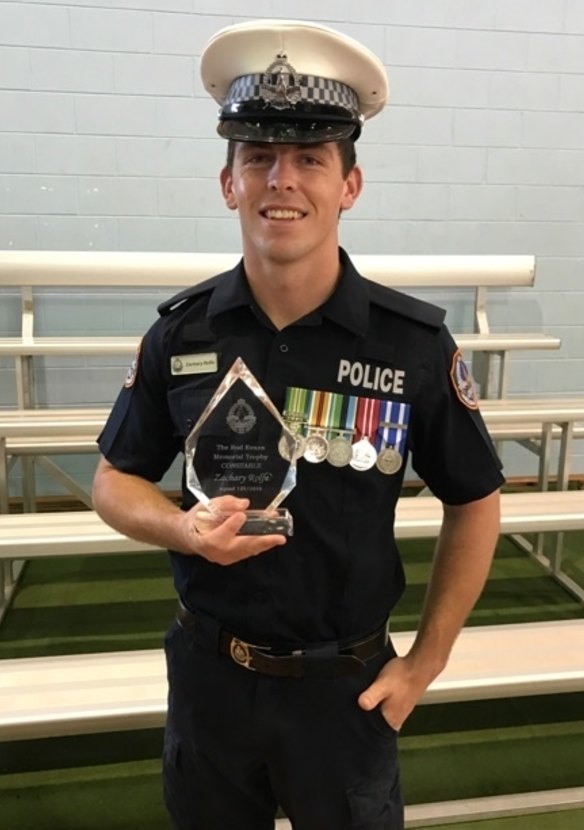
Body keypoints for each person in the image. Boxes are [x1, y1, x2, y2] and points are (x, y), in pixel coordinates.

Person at [92, 19, 504, 830]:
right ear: (228, 183)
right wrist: (184, 531)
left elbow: (477, 499)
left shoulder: (409, 347)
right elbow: (113, 481)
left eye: (311, 158)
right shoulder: (182, 336)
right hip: (211, 677)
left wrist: (426, 661)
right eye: (259, 158)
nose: (283, 180)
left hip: (342, 691)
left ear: (349, 185)